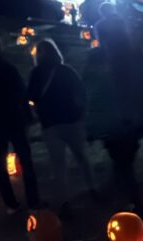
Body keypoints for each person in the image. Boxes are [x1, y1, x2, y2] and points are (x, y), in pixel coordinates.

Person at [83, 19, 143, 212]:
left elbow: (93, 90)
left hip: (118, 120)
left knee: (123, 161)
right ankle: (119, 195)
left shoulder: (101, 58)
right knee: (123, 161)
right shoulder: (135, 55)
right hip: (130, 119)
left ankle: (132, 202)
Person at [26, 38, 95, 211]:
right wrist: (81, 113)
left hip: (51, 124)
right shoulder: (67, 71)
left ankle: (64, 201)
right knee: (81, 157)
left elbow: (31, 96)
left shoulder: (36, 74)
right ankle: (91, 188)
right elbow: (82, 92)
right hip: (71, 120)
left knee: (59, 165)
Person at [0, 36, 40, 212]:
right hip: (14, 117)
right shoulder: (9, 68)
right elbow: (22, 93)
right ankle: (33, 200)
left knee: (0, 159)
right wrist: (28, 115)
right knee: (25, 159)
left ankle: (10, 202)